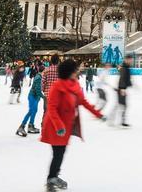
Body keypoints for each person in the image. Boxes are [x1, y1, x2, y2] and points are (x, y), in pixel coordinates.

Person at [41, 59, 104, 191]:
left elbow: (84, 102)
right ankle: (51, 179)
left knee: (60, 152)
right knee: (58, 153)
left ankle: (53, 177)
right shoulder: (57, 86)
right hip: (55, 126)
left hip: (66, 125)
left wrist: (98, 114)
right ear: (69, 72)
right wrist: (59, 126)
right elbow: (51, 108)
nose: (78, 71)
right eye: (76, 70)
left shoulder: (75, 85)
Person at [17, 65, 45, 137]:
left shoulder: (40, 77)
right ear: (43, 71)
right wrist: (44, 97)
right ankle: (22, 126)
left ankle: (30, 125)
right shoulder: (38, 78)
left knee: (34, 111)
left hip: (35, 97)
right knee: (31, 111)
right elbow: (38, 90)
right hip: (33, 96)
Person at [113, 55, 133, 127]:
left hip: (122, 89)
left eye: (131, 60)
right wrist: (122, 88)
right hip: (121, 89)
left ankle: (119, 120)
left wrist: (130, 84)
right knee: (122, 105)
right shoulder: (124, 68)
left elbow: (126, 78)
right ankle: (114, 119)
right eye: (130, 60)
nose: (131, 61)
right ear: (126, 60)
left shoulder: (126, 67)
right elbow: (122, 79)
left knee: (121, 105)